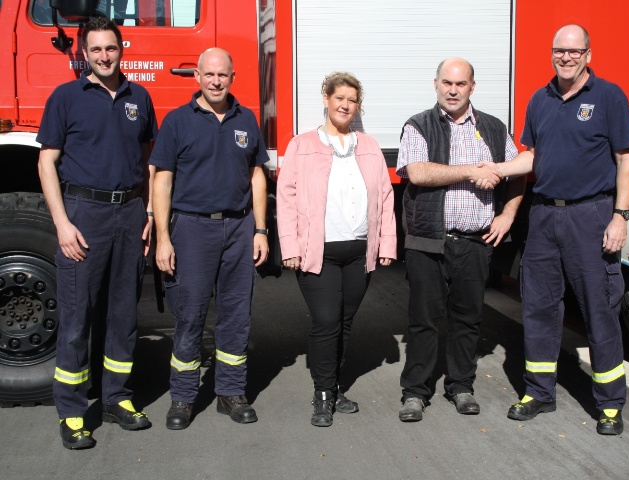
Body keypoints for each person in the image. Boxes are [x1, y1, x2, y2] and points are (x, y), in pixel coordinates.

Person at [499, 24, 629, 435]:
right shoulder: (539, 100)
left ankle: (610, 404)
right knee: (538, 307)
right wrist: (497, 170)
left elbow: (625, 161)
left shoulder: (609, 97)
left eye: (575, 51)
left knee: (599, 308)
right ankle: (539, 393)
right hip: (543, 216)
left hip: (590, 215)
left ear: (588, 55)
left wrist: (620, 216)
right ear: (552, 53)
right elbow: (533, 157)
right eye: (560, 50)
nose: (566, 57)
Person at [37, 16, 157, 450]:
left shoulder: (138, 97)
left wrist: (146, 210)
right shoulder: (66, 97)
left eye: (112, 48)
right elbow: (46, 162)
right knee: (77, 318)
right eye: (96, 50)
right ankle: (72, 412)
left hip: (127, 214)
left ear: (122, 49)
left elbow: (148, 158)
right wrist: (62, 223)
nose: (105, 56)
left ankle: (117, 398)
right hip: (83, 215)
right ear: (84, 54)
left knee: (124, 315)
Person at [396, 58, 526, 422]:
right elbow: (418, 172)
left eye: (461, 84)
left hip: (474, 242)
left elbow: (520, 172)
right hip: (428, 241)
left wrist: (507, 215)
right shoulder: (418, 125)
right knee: (423, 320)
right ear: (435, 84)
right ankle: (415, 393)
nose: (453, 90)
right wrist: (475, 170)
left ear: (472, 86)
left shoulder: (496, 129)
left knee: (468, 319)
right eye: (447, 83)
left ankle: (461, 386)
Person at [151, 48, 269, 430]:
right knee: (190, 315)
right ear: (197, 76)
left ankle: (230, 393)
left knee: (236, 315)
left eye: (223, 75)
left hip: (239, 227)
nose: (216, 81)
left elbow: (256, 176)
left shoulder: (246, 119)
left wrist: (261, 229)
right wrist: (163, 238)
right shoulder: (177, 122)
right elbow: (162, 180)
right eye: (209, 75)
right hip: (192, 228)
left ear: (233, 77)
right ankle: (183, 397)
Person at [277, 72, 397, 427]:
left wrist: (387, 242)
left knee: (344, 323)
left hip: (359, 250)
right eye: (339, 98)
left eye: (352, 100)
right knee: (327, 321)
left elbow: (385, 197)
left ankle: (335, 386)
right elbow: (286, 197)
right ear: (326, 99)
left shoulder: (370, 145)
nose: (345, 105)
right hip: (319, 251)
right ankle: (323, 395)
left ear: (358, 106)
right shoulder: (301, 145)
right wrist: (290, 246)